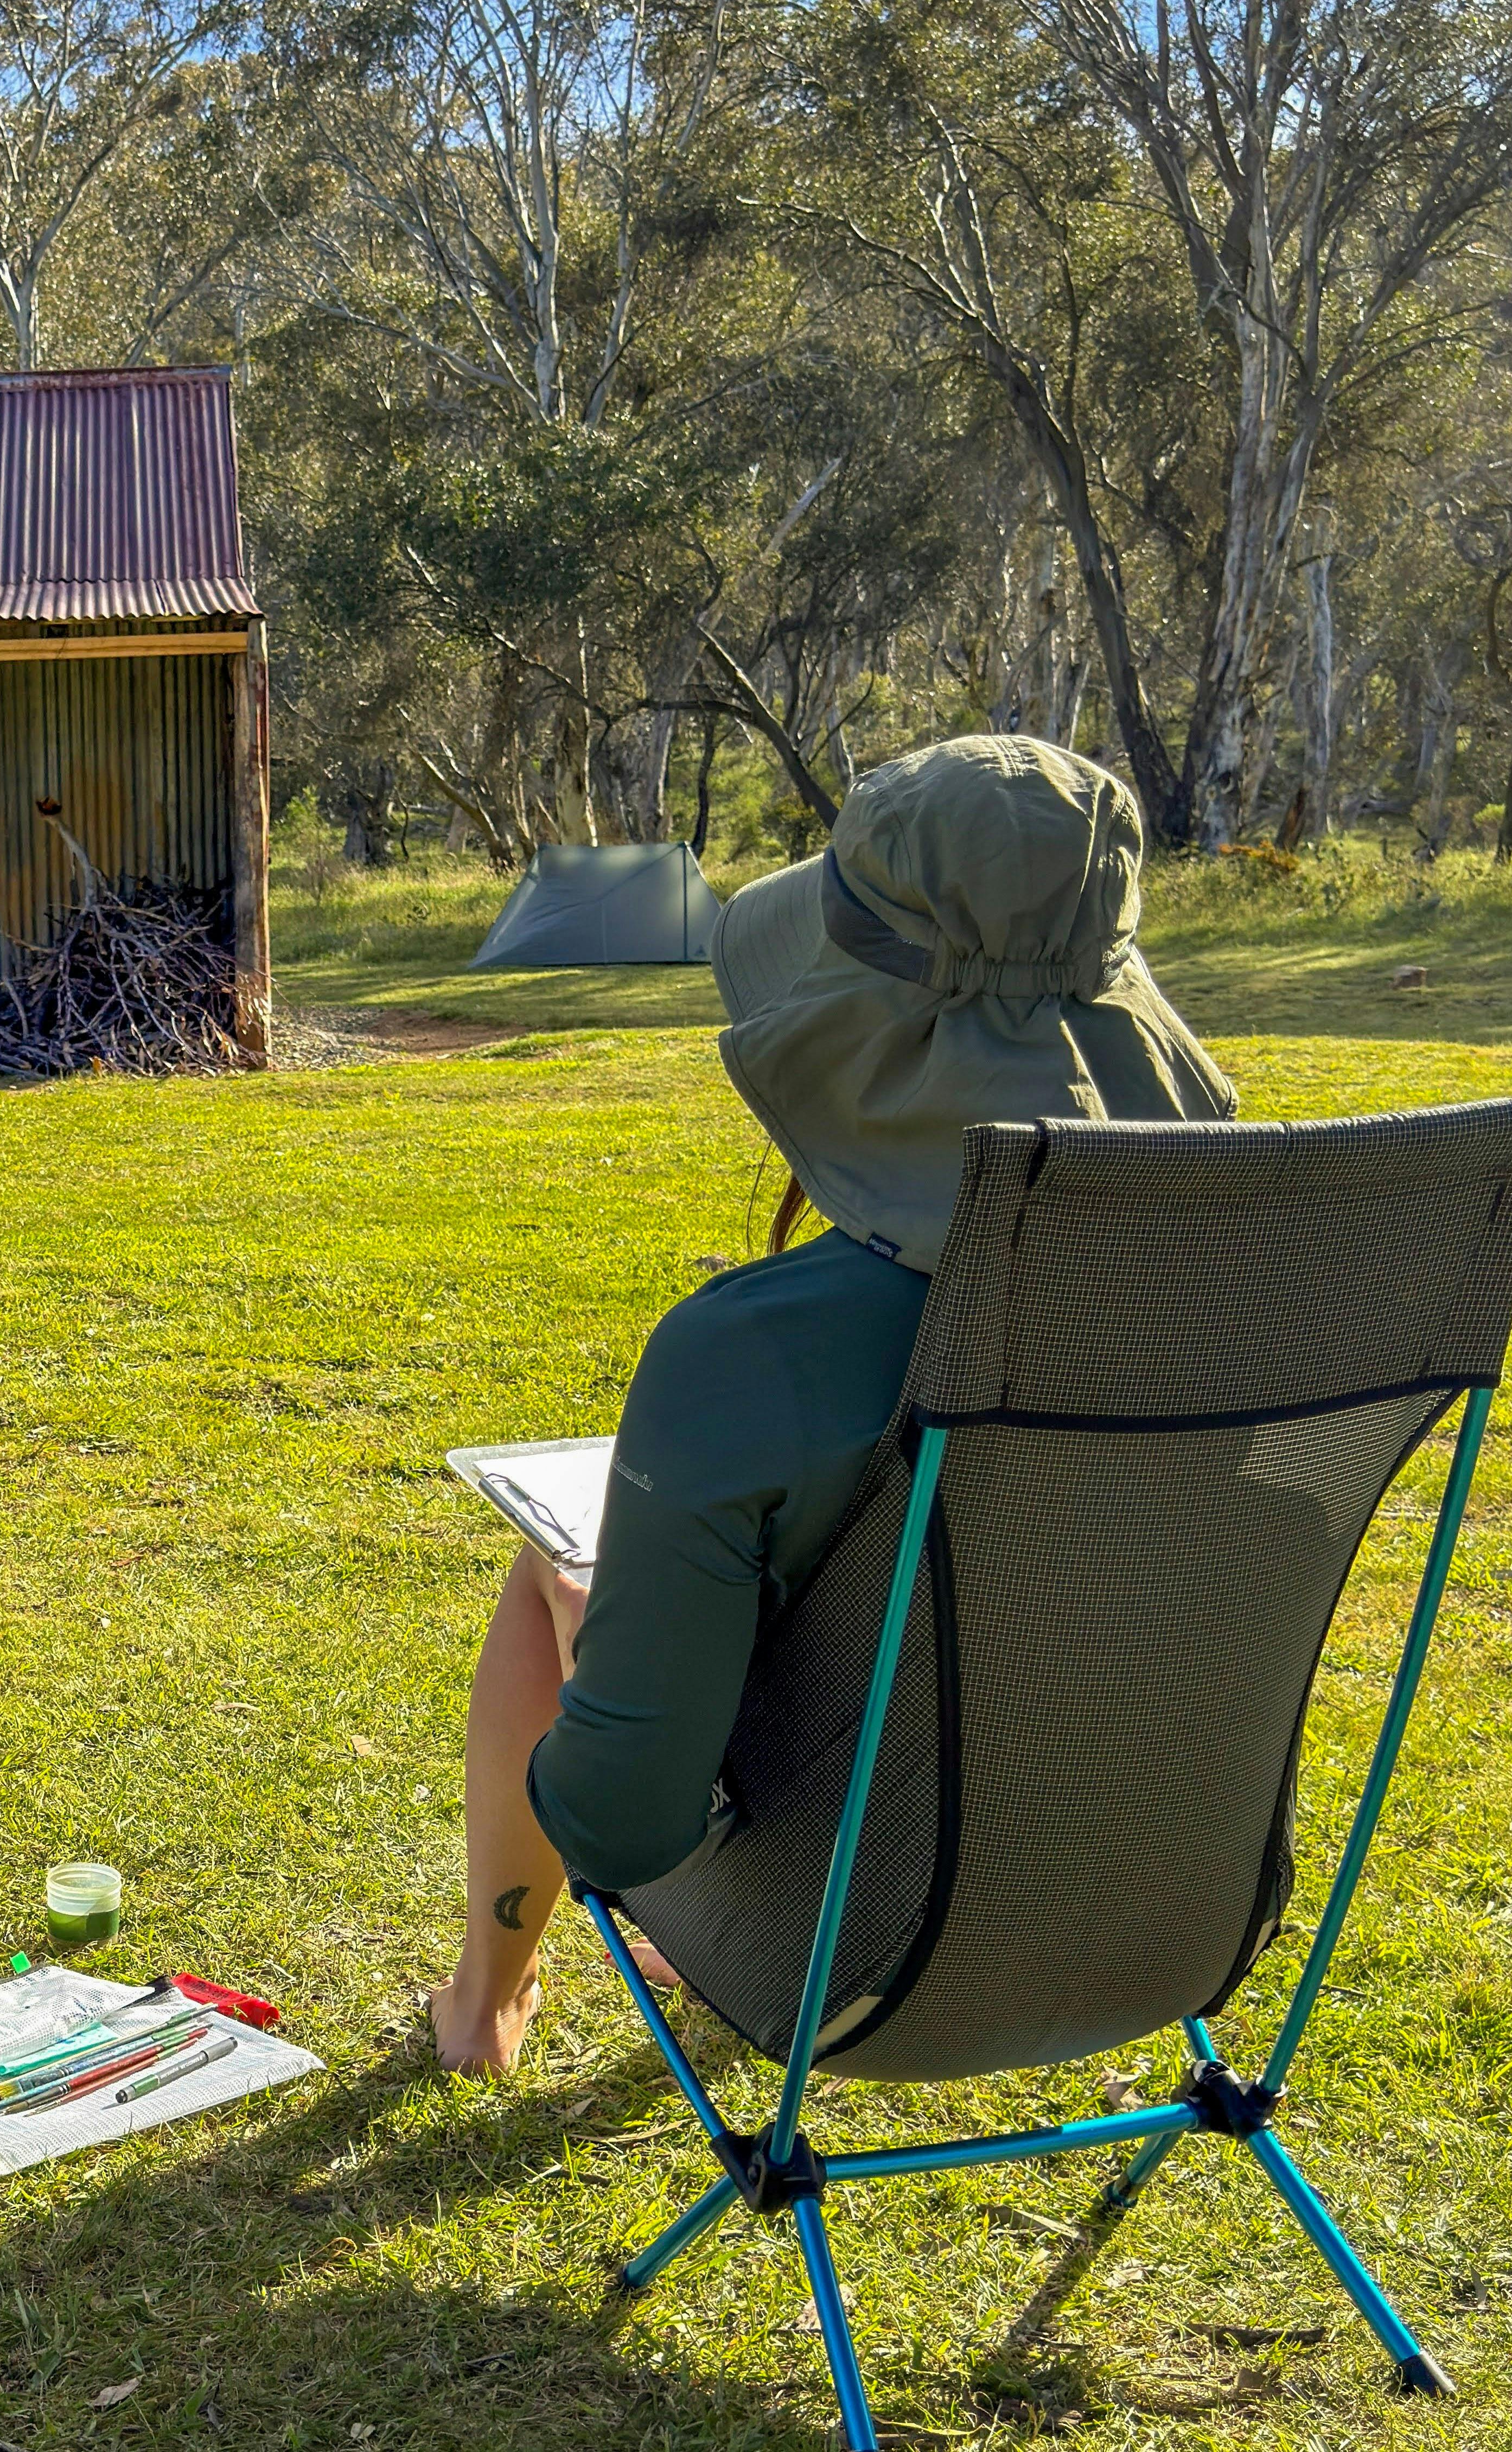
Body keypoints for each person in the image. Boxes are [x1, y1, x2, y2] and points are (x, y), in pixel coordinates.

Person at [430, 735, 1239, 2076]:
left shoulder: (749, 1355)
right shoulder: (1267, 1284)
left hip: (858, 1955)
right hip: (1179, 1914)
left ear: (848, 1023)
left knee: (555, 1570)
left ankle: (481, 2007)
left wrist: (595, 1622)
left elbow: (623, 1826)